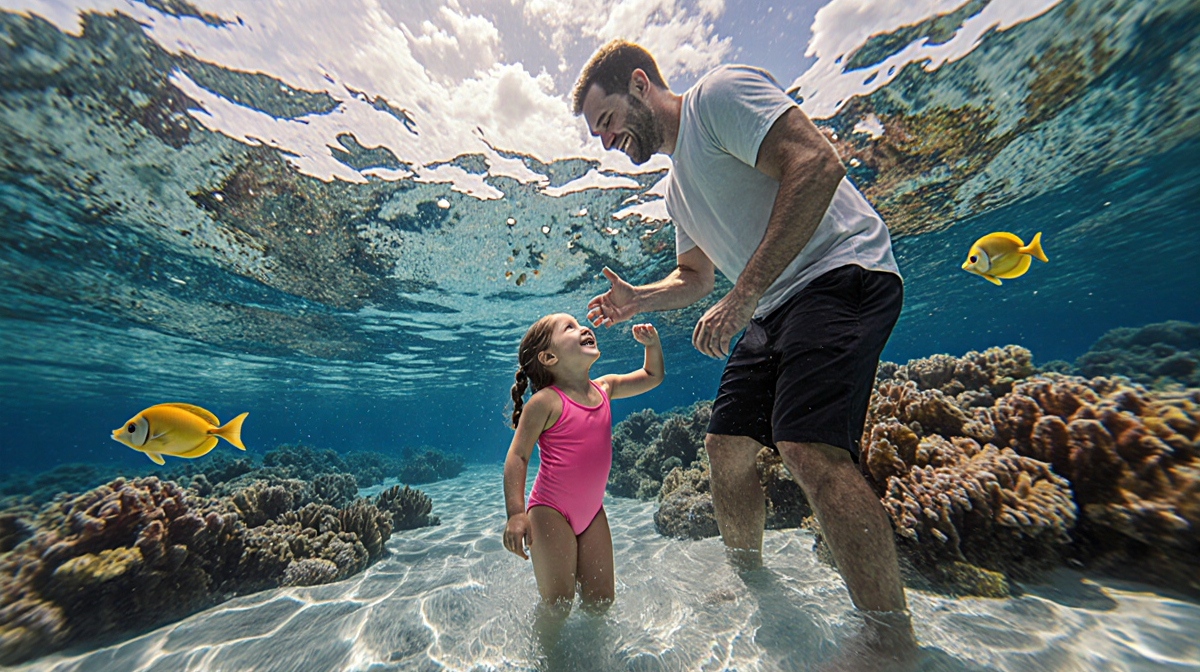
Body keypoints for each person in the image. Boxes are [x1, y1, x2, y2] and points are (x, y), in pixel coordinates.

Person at [572, 40, 916, 654]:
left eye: (607, 121)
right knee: (725, 444)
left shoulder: (718, 97)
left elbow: (817, 163)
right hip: (776, 302)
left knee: (807, 447)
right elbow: (696, 278)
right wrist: (636, 300)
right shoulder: (677, 191)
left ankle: (890, 638)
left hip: (843, 271)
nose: (605, 141)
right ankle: (750, 576)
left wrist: (743, 295)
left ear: (640, 85)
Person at [502, 313, 663, 633]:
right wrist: (516, 513)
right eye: (570, 328)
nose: (583, 328)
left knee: (601, 600)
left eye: (580, 324)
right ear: (549, 357)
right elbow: (517, 455)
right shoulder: (545, 402)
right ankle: (546, 659)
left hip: (592, 512)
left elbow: (651, 375)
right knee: (558, 604)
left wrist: (652, 346)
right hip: (550, 511)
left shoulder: (605, 387)